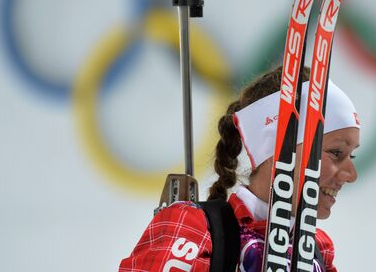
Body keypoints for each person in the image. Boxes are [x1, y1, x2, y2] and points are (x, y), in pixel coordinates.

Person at [119, 66, 360, 272]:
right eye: (336, 153)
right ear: (280, 149)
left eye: (352, 155)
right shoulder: (193, 227)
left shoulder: (317, 248)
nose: (351, 174)